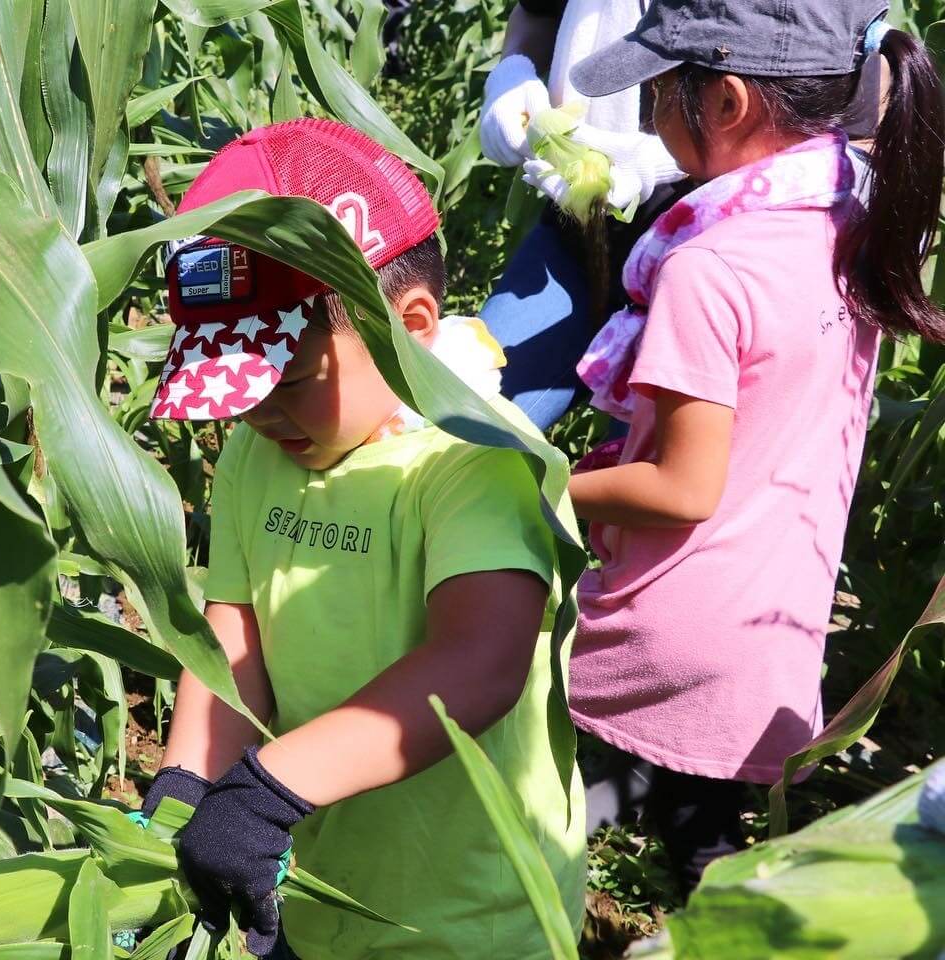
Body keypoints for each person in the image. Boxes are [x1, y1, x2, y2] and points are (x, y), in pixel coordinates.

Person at [138, 118, 585, 959]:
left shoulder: (477, 456)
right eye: (238, 387)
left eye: (291, 378)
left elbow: (479, 662)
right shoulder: (255, 450)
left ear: (409, 325)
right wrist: (190, 786)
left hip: (469, 919)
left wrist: (269, 792)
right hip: (315, 890)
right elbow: (235, 636)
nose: (259, 413)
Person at [562, 0, 945, 893]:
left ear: (726, 102)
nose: (650, 117)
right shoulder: (853, 225)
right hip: (770, 625)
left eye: (659, 93)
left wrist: (548, 483)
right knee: (701, 844)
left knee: (552, 818)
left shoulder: (710, 268)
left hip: (667, 621)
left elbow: (685, 489)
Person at [477, 0, 688, 430]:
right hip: (572, 240)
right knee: (458, 422)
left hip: (691, 271)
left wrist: (660, 159)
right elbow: (536, 13)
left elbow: (840, 122)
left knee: (639, 473)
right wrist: (511, 77)